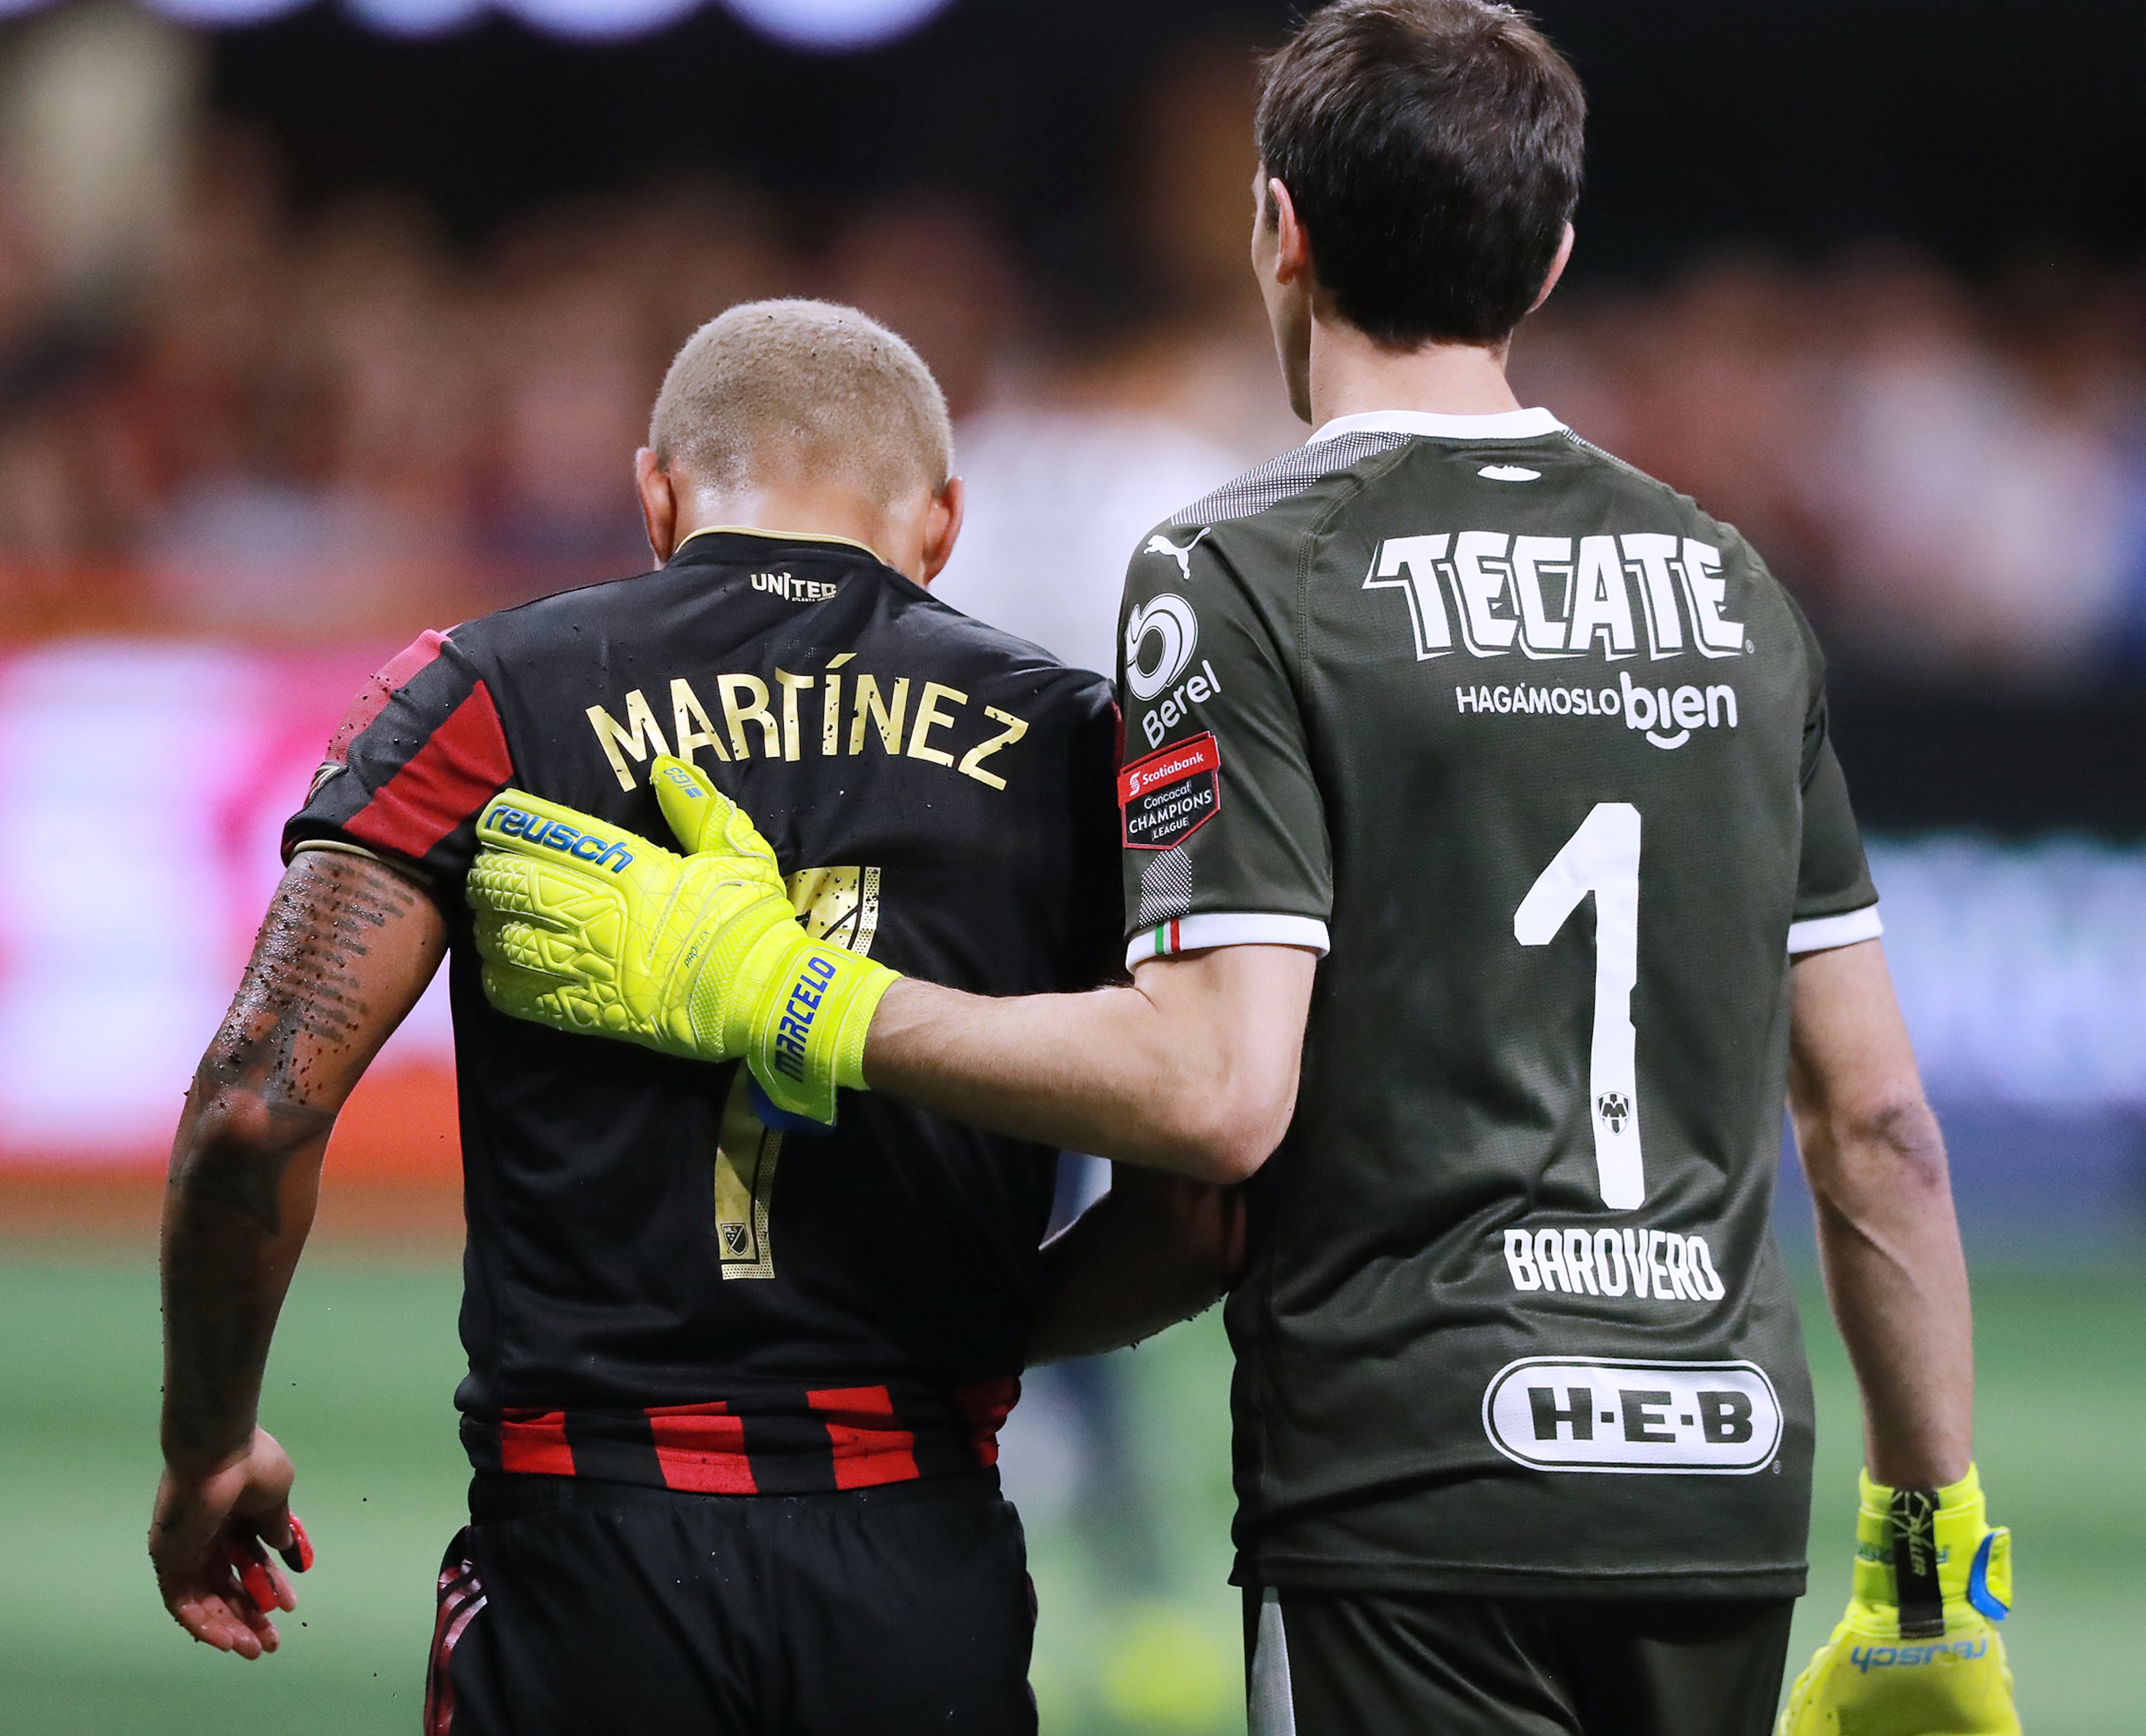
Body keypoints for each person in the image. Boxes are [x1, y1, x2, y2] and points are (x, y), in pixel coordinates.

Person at [462, 5, 2022, 1734]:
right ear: (1555, 256)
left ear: (1278, 227)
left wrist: (775, 984)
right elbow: (1879, 1126)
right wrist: (1931, 1552)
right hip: (1714, 1481)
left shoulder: (1246, 567)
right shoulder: (1733, 586)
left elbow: (1214, 1093)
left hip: (1417, 1483)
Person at [151, 298, 1232, 1734]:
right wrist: (977, 1337)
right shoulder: (1079, 746)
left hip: (584, 1560)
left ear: (656, 493)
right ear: (942, 522)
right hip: (919, 1567)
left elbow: (251, 1106)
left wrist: (207, 1443)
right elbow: (1210, 1209)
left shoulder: (484, 700)